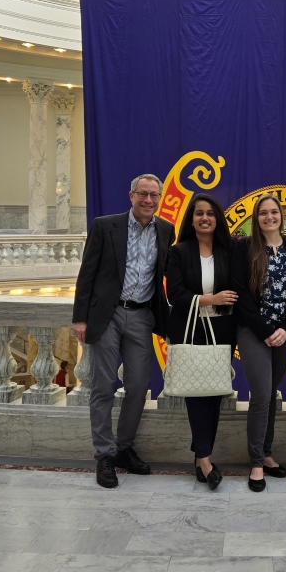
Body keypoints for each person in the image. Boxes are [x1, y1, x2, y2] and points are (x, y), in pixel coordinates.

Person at [72, 173, 176, 489]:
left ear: (159, 199)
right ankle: (104, 455)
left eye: (154, 195)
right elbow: (86, 272)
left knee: (138, 384)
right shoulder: (106, 226)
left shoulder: (165, 230)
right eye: (142, 194)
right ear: (131, 196)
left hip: (143, 315)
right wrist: (80, 318)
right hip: (108, 314)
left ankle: (124, 448)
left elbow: (171, 272)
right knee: (103, 385)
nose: (148, 200)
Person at [233, 193, 286, 492]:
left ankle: (267, 453)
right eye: (263, 213)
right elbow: (240, 293)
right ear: (256, 217)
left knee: (272, 392)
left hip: (284, 333)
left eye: (273, 212)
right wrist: (264, 329)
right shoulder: (244, 247)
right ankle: (255, 463)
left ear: (281, 215)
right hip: (253, 331)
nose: (269, 217)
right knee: (262, 394)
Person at [164, 194, 239, 490]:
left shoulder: (229, 250)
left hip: (222, 328)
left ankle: (199, 458)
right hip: (189, 328)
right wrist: (212, 299)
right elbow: (176, 295)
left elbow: (239, 288)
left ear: (217, 219)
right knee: (196, 394)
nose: (204, 218)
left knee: (213, 392)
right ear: (191, 219)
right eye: (199, 214)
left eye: (210, 213)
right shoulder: (179, 252)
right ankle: (206, 461)